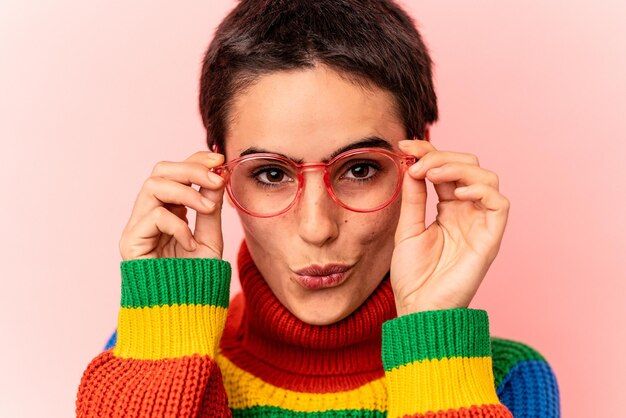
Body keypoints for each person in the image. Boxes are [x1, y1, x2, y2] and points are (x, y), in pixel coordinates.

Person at [76, 0, 560, 416]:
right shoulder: (149, 353)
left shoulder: (507, 382)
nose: (316, 228)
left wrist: (432, 332)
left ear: (418, 163)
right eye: (270, 174)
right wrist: (169, 325)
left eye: (360, 169)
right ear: (218, 171)